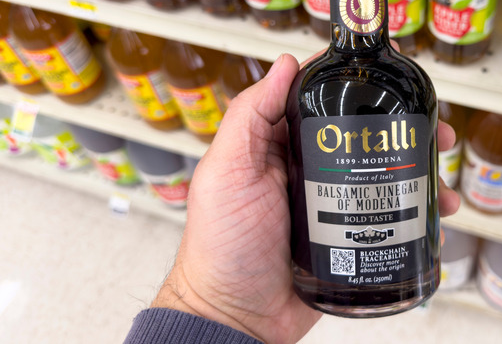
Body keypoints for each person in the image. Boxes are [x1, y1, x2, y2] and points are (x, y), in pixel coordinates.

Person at [124, 53, 461, 344]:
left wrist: (211, 306)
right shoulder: (314, 85)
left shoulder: (406, 79)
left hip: (403, 277)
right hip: (319, 278)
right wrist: (212, 305)